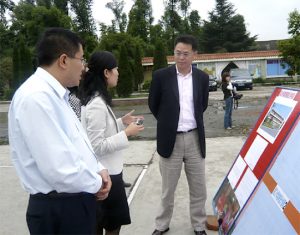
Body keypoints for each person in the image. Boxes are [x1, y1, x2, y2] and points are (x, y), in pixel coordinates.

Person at [8, 28, 112, 235]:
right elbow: (60, 170)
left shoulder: (56, 95)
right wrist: (97, 182)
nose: (84, 68)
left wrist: (98, 167)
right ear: (64, 60)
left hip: (73, 201)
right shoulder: (36, 98)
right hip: (59, 208)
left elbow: (76, 143)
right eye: (81, 60)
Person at [78, 51, 144, 235]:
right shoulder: (97, 103)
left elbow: (100, 130)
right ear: (106, 72)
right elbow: (96, 145)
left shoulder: (95, 98)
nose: (118, 73)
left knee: (102, 224)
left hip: (107, 173)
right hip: (107, 176)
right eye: (116, 69)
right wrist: (126, 133)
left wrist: (121, 122)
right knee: (110, 227)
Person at [148, 35, 209, 235]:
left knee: (199, 188)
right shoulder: (161, 76)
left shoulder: (202, 78)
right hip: (170, 139)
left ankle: (199, 226)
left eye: (185, 54)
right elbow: (153, 104)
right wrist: (168, 123)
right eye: (177, 53)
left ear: (194, 54)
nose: (181, 57)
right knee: (168, 190)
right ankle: (162, 225)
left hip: (193, 138)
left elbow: (203, 105)